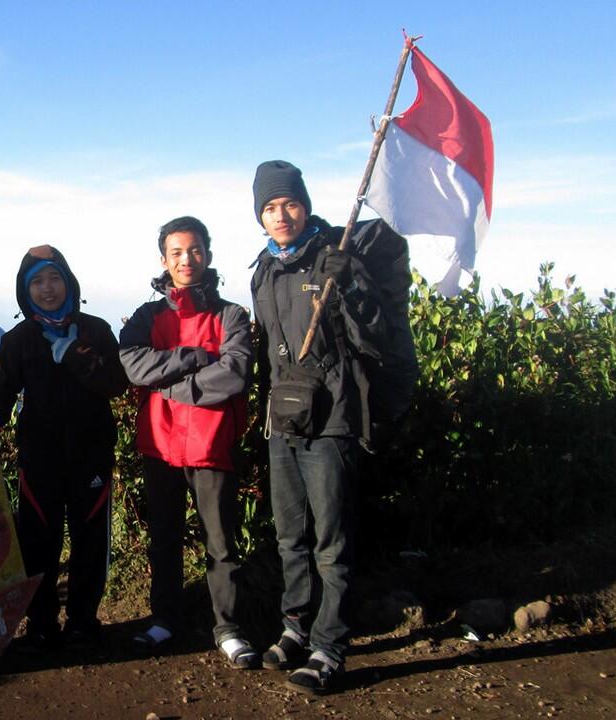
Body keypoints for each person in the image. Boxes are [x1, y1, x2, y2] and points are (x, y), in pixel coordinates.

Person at [248, 160, 393, 695]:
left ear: (304, 205)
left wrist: (348, 282)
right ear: (259, 217)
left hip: (331, 418)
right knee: (291, 536)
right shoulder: (264, 269)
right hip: (283, 419)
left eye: (288, 203)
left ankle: (329, 646)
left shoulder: (336, 258)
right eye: (268, 207)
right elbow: (267, 349)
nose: (280, 215)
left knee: (330, 540)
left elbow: (372, 334)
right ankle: (294, 627)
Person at [0, 245, 127, 650]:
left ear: (69, 282)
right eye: (37, 282)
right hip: (40, 459)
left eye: (54, 279)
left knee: (90, 542)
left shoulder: (96, 331)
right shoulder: (19, 340)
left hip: (91, 456)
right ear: (25, 290)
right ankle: (42, 623)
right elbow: (3, 387)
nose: (47, 289)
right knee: (37, 543)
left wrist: (74, 355)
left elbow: (116, 382)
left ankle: (83, 621)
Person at [117, 216, 257, 667]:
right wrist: (196, 358)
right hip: (160, 444)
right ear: (164, 261)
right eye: (176, 252)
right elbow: (134, 365)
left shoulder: (230, 315)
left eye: (194, 250)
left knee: (221, 542)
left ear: (208, 255)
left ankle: (228, 627)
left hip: (211, 444)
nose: (186, 259)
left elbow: (234, 372)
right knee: (164, 537)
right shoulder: (147, 317)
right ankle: (165, 619)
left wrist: (171, 384)